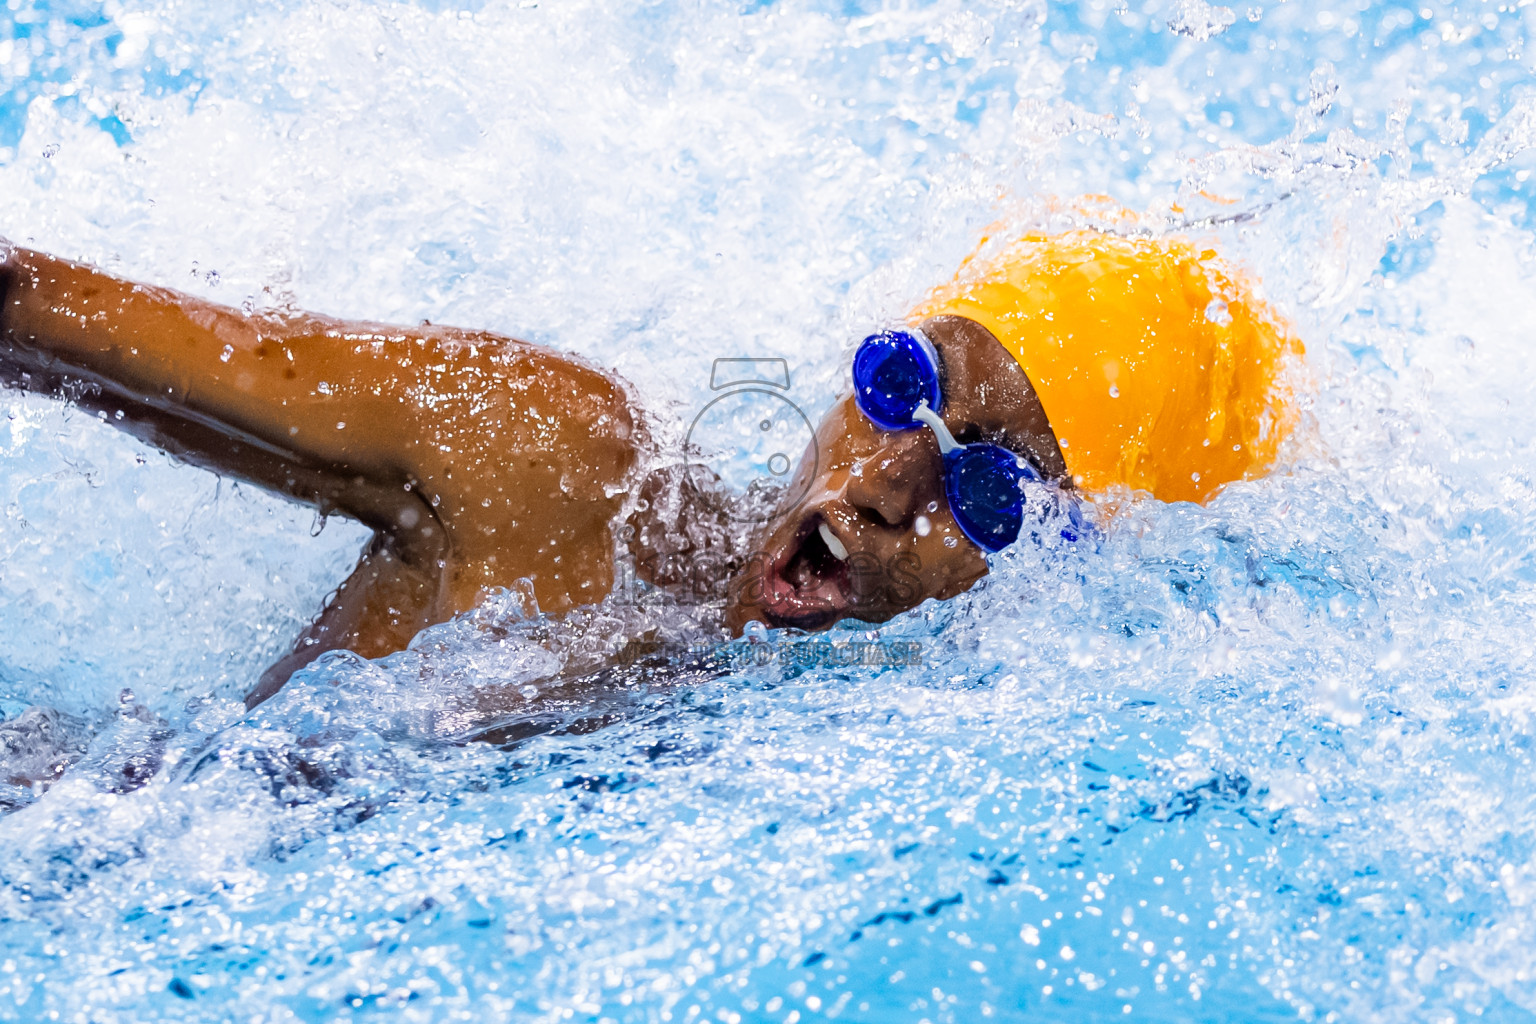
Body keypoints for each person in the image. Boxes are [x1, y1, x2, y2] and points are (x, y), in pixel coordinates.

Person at [0, 227, 1298, 708]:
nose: (890, 481)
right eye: (904, 385)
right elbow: (43, 309)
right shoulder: (558, 459)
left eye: (988, 489)